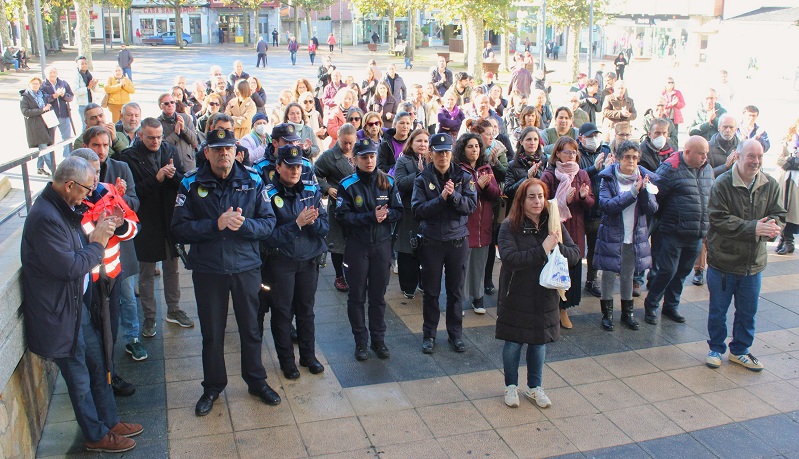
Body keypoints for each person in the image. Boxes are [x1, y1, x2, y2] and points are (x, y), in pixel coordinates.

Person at [22, 156, 142, 453]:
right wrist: (99, 241)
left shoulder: (63, 207)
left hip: (75, 309)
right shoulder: (46, 218)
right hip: (60, 316)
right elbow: (70, 267)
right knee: (79, 379)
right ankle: (95, 434)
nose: (89, 194)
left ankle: (109, 422)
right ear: (69, 185)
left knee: (97, 364)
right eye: (86, 189)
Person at [171, 128, 280, 416]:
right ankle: (212, 387)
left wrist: (243, 226)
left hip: (246, 268)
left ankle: (256, 381)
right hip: (209, 270)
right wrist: (214, 225)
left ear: (237, 151)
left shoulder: (254, 180)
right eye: (217, 149)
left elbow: (268, 224)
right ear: (206, 152)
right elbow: (179, 228)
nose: (224, 154)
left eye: (229, 148)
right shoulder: (191, 183)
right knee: (212, 333)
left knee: (251, 329)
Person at [497, 178, 580, 409]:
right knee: (513, 342)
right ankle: (511, 386)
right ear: (521, 200)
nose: (537, 201)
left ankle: (535, 387)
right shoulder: (509, 225)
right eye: (531, 196)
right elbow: (511, 259)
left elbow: (574, 254)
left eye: (541, 196)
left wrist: (556, 246)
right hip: (517, 293)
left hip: (545, 295)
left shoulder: (553, 224)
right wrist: (542, 249)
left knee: (539, 343)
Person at [705, 139, 784, 371]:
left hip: (753, 263)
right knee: (718, 310)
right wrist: (754, 228)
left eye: (759, 157)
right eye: (751, 156)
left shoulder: (769, 184)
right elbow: (718, 219)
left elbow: (778, 213)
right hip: (723, 262)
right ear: (737, 156)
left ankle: (740, 350)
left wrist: (773, 226)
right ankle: (716, 348)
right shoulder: (722, 183)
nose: (756, 161)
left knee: (748, 312)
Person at [117, 118, 194, 338]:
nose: (156, 141)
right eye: (151, 137)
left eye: (159, 136)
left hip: (168, 220)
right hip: (146, 223)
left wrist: (171, 176)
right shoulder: (129, 158)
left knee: (172, 268)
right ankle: (149, 317)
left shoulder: (169, 149)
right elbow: (134, 192)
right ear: (140, 135)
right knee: (147, 273)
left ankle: (174, 308)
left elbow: (182, 182)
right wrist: (157, 178)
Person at [262, 144, 327, 379]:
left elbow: (324, 227)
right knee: (282, 313)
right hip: (282, 263)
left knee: (306, 311)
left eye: (298, 166)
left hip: (308, 260)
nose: (295, 171)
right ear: (278, 167)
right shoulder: (268, 194)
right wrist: (296, 224)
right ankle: (287, 362)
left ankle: (308, 356)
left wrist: (312, 223)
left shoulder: (311, 190)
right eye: (289, 167)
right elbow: (267, 236)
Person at [335, 138, 402, 360]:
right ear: (355, 160)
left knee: (378, 296)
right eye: (364, 157)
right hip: (357, 247)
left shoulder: (388, 182)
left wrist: (386, 216)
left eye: (372, 156)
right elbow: (342, 217)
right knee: (356, 297)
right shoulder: (347, 185)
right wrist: (370, 217)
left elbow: (399, 210)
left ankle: (378, 340)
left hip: (381, 246)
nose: (369, 160)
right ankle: (360, 342)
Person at [412, 133, 477, 354]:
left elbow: (470, 206)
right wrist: (441, 199)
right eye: (439, 152)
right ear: (431, 153)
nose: (443, 156)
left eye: (447, 152)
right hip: (431, 242)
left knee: (455, 291)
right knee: (430, 291)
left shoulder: (463, 176)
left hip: (457, 241)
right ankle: (429, 334)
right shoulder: (422, 179)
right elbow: (418, 211)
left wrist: (454, 197)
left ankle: (455, 334)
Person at [644, 136, 713, 325]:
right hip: (672, 232)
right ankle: (651, 304)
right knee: (666, 271)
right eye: (701, 153)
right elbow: (656, 197)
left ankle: (671, 306)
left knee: (683, 272)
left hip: (696, 233)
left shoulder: (707, 169)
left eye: (706, 153)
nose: (705, 157)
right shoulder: (670, 168)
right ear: (688, 152)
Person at [594, 141, 658, 331]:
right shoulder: (608, 178)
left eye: (635, 157)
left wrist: (644, 192)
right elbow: (607, 205)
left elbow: (652, 208)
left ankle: (627, 314)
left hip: (634, 235)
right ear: (619, 158)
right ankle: (607, 314)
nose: (632, 161)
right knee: (608, 274)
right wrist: (632, 193)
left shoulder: (644, 178)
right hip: (611, 234)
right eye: (628, 157)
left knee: (628, 274)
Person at [541, 136, 595, 328]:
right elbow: (543, 202)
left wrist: (582, 198)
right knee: (554, 267)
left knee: (571, 269)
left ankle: (564, 310)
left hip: (576, 230)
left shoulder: (582, 175)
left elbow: (590, 202)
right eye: (567, 152)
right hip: (556, 230)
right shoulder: (549, 175)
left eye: (574, 152)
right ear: (557, 154)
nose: (571, 156)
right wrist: (561, 199)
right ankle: (551, 309)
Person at [456, 133, 500, 314]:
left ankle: (478, 296)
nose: (474, 150)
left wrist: (486, 186)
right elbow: (459, 195)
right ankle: (459, 298)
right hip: (465, 225)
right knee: (462, 263)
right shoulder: (458, 169)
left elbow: (496, 193)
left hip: (484, 226)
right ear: (462, 149)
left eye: (477, 146)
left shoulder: (486, 168)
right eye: (470, 146)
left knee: (480, 263)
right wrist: (477, 185)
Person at [315, 123, 358, 291]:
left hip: (359, 205)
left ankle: (356, 274)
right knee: (338, 244)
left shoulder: (361, 152)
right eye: (344, 143)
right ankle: (339, 276)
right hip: (338, 205)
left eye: (350, 143)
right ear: (338, 139)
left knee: (356, 242)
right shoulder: (329, 156)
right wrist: (327, 188)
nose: (347, 146)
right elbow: (315, 173)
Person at [394, 129, 428, 297]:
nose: (423, 144)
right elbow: (399, 184)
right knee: (408, 250)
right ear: (411, 143)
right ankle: (407, 286)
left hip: (427, 211)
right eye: (419, 141)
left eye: (426, 141)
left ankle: (422, 282)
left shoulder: (433, 160)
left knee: (425, 250)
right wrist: (419, 173)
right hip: (408, 211)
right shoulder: (403, 161)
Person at [20, 76, 56, 176]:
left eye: (37, 83)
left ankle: (40, 168)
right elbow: (25, 112)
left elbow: (45, 107)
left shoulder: (42, 95)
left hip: (45, 124)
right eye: (33, 83)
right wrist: (42, 110)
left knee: (43, 147)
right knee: (45, 149)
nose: (35, 85)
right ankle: (55, 172)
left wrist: (47, 108)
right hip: (35, 126)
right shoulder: (25, 97)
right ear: (29, 84)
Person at [158, 93, 200, 171]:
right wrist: (175, 133)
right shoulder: (158, 123)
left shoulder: (185, 118)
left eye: (172, 102)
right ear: (161, 106)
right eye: (166, 103)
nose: (170, 105)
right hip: (171, 166)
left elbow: (194, 141)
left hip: (188, 164)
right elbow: (161, 146)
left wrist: (184, 129)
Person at [505, 127, 547, 205]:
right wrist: (527, 178)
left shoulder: (545, 161)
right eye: (529, 139)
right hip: (519, 208)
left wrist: (537, 174)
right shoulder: (512, 164)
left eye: (535, 139)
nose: (532, 142)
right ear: (521, 142)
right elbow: (508, 192)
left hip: (539, 207)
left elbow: (548, 187)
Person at [776, 118, 799, 255]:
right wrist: (791, 161)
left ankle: (788, 241)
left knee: (793, 213)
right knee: (781, 211)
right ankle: (783, 239)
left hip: (796, 185)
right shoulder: (787, 141)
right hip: (785, 181)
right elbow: (779, 159)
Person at [42, 65, 75, 158]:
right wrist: (54, 96)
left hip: (64, 114)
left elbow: (71, 96)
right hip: (51, 115)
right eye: (50, 73)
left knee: (67, 139)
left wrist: (64, 95)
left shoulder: (63, 83)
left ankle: (67, 159)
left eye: (54, 72)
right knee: (50, 140)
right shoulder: (43, 85)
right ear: (46, 74)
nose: (52, 74)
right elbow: (42, 100)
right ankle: (50, 161)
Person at [73, 56, 98, 130]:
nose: (84, 65)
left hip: (90, 102)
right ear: (78, 65)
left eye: (85, 63)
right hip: (82, 104)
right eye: (82, 64)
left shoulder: (89, 74)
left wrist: (94, 84)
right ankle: (82, 141)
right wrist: (88, 87)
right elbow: (75, 91)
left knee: (92, 124)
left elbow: (95, 90)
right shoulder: (76, 75)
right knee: (85, 125)